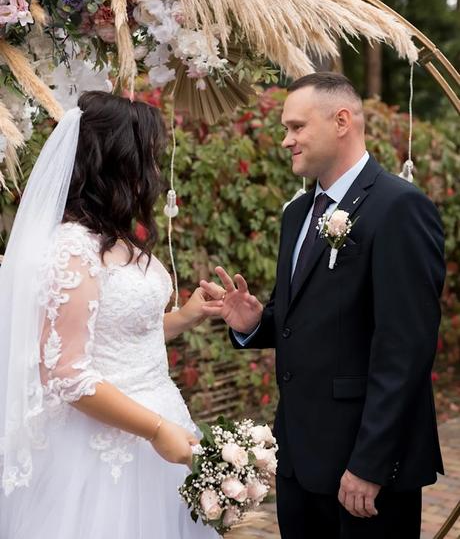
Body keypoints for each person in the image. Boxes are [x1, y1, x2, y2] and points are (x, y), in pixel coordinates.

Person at [200, 73, 445, 539]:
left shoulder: (400, 207)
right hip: (299, 459)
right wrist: (256, 322)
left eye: (296, 127)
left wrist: (370, 464)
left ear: (341, 121)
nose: (285, 140)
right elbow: (310, 317)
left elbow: (405, 347)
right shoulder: (298, 213)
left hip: (364, 466)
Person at [0, 91, 218, 539]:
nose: (154, 172)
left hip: (160, 423)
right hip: (104, 447)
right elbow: (66, 373)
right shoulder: (70, 248)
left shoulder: (113, 238)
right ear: (118, 162)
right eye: (148, 157)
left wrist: (185, 317)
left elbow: (115, 337)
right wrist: (156, 430)